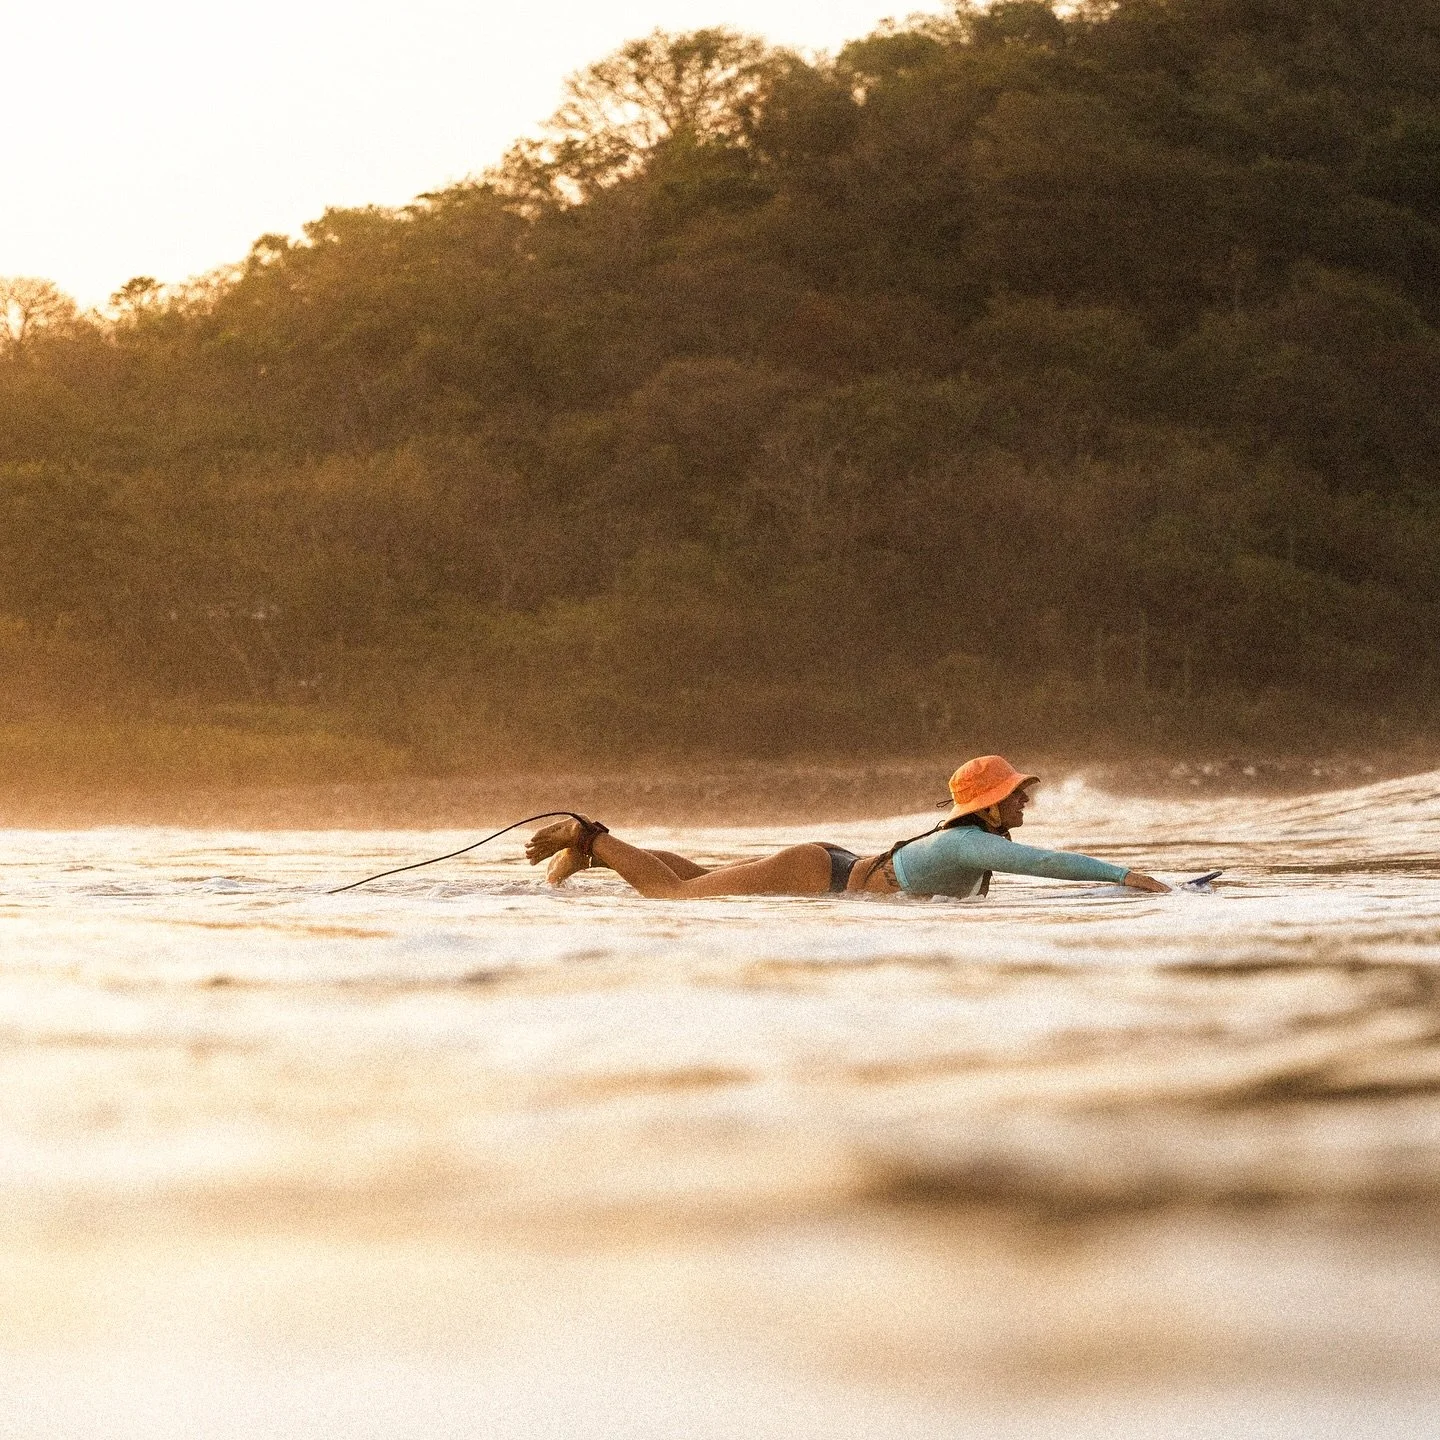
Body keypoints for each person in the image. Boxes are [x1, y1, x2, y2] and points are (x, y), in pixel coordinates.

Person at [524, 755, 1171, 898]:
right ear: (989, 807)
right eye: (1015, 799)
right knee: (677, 895)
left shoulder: (970, 843)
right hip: (818, 875)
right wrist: (1126, 876)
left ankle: (595, 856)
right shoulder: (964, 843)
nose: (1024, 807)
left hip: (831, 867)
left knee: (698, 876)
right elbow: (1047, 864)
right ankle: (589, 836)